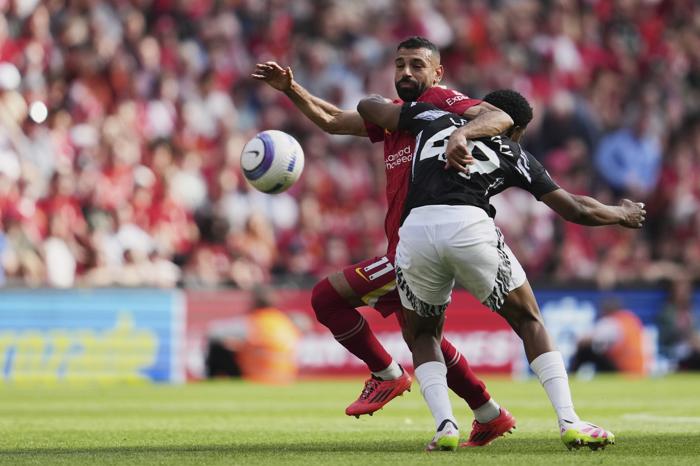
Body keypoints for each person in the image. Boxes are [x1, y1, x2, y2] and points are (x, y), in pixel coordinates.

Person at [252, 36, 517, 446]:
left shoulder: (443, 103)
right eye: (399, 64)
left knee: (327, 297)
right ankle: (488, 412)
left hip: (420, 245)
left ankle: (387, 373)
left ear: (437, 73)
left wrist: (462, 135)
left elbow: (498, 116)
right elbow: (334, 121)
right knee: (422, 338)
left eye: (416, 65)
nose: (406, 72)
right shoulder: (395, 116)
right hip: (408, 244)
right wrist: (291, 89)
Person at [357, 89, 646, 450]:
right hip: (467, 225)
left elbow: (368, 108)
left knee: (424, 334)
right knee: (529, 320)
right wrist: (621, 213)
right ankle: (570, 421)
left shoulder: (430, 119)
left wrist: (383, 101)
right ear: (516, 128)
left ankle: (445, 427)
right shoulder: (511, 150)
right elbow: (575, 209)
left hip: (414, 230)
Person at [205, 286, 302, 384]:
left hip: (256, 375)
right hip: (285, 375)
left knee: (217, 346)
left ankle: (212, 382)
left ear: (254, 303)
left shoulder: (252, 321)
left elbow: (213, 333)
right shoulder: (284, 321)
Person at [570, 297, 647, 375]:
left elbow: (588, 339)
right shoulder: (630, 318)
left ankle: (571, 375)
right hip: (638, 367)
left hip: (623, 369)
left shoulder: (612, 321)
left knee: (585, 351)